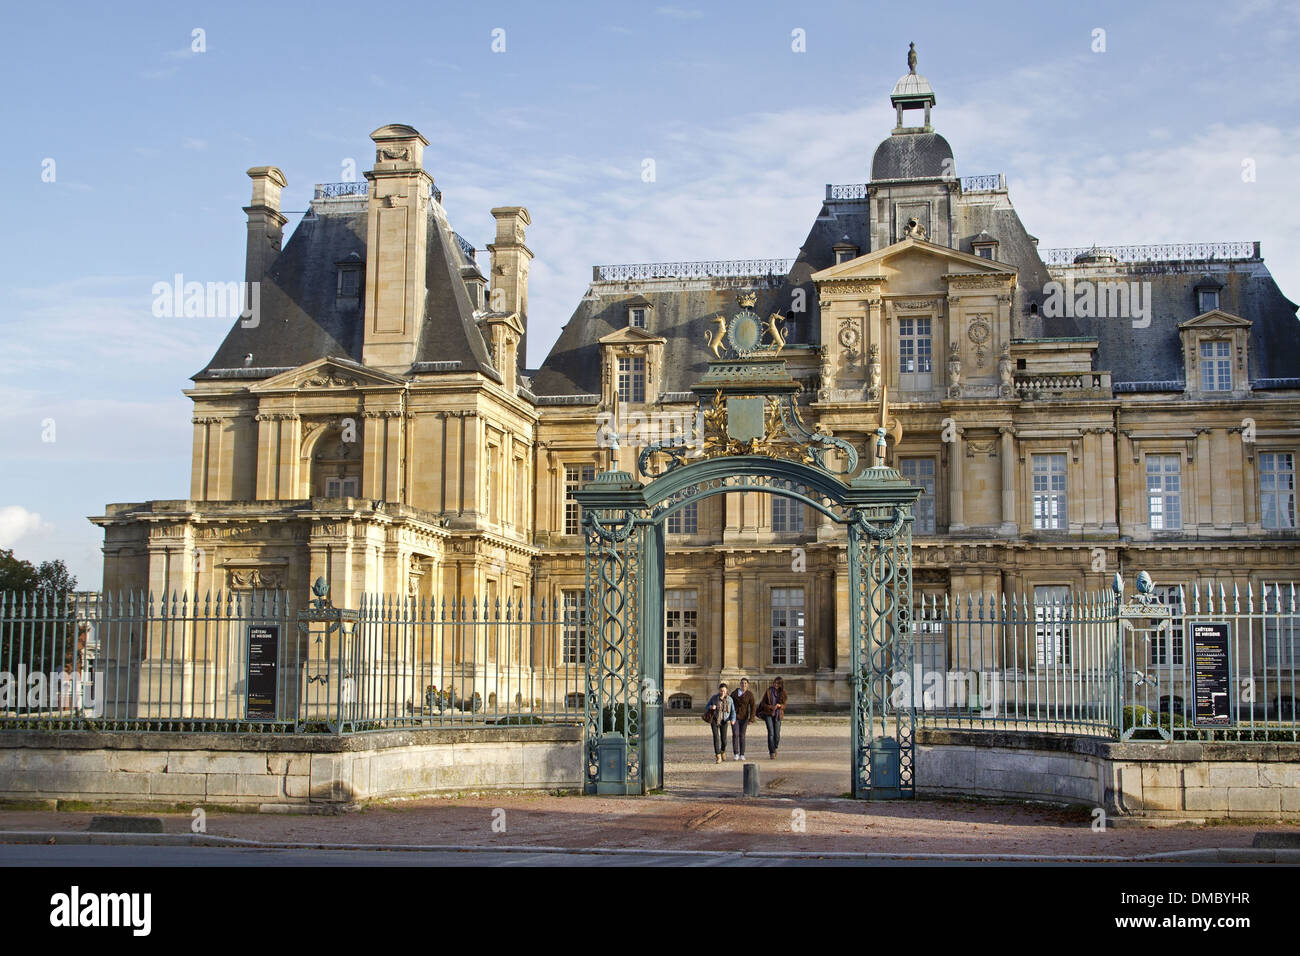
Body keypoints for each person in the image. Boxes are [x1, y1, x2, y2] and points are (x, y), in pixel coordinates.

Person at [703, 682, 736, 763]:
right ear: (719, 690)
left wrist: (733, 719)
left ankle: (722, 751)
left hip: (724, 720)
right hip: (714, 719)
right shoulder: (714, 698)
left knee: (724, 740)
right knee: (716, 737)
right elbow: (706, 706)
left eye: (724, 691)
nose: (722, 693)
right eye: (721, 691)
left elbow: (733, 711)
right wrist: (711, 707)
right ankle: (718, 755)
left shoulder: (730, 699)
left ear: (727, 691)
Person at [756, 676, 787, 759]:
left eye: (778, 683)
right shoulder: (768, 691)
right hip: (768, 713)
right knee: (771, 733)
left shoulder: (783, 693)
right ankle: (771, 752)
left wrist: (780, 705)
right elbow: (763, 703)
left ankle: (775, 747)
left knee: (777, 735)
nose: (776, 685)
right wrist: (770, 707)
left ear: (781, 684)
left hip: (778, 715)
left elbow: (784, 705)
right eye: (775, 683)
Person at [730, 677, 756, 761]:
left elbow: (753, 707)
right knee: (735, 734)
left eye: (745, 683)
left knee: (742, 735)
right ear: (740, 684)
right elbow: (730, 704)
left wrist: (751, 718)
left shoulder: (749, 694)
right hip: (735, 717)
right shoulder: (734, 693)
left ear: (747, 685)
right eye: (742, 683)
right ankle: (736, 753)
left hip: (744, 718)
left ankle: (742, 754)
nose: (743, 685)